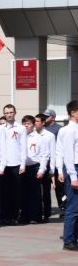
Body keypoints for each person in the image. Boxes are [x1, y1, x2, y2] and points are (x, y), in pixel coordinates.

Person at [0, 104, 27, 226]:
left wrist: (23, 164)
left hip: (17, 163)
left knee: (16, 192)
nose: (9, 114)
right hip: (4, 164)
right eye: (6, 113)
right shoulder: (1, 128)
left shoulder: (21, 128)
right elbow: (1, 147)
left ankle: (14, 216)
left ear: (15, 113)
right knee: (4, 192)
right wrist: (1, 166)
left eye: (11, 112)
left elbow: (23, 147)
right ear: (4, 114)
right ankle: (5, 216)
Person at [59, 100, 78, 251]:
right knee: (73, 207)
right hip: (74, 169)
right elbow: (68, 155)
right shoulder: (70, 130)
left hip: (74, 168)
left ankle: (74, 238)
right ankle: (69, 240)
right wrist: (73, 176)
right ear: (73, 112)